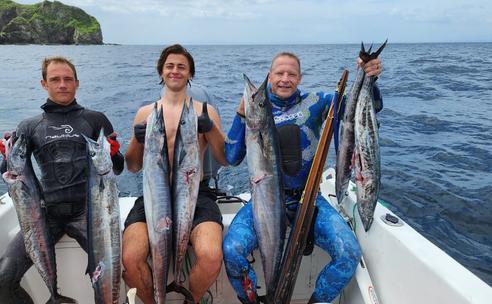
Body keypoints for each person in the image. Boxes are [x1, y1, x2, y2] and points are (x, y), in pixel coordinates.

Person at [223, 52, 383, 303]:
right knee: (232, 251)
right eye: (279, 73)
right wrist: (240, 115)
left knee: (349, 253)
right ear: (269, 76)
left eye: (292, 74)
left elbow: (363, 109)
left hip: (309, 201)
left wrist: (369, 78)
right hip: (264, 202)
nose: (285, 79)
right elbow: (231, 157)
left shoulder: (318, 101)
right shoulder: (256, 108)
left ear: (300, 78)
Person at [0, 56, 124, 303]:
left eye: (68, 79)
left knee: (108, 283)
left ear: (77, 83)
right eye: (55, 79)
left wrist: (113, 154)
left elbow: (118, 168)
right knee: (1, 283)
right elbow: (11, 175)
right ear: (44, 83)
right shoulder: (29, 126)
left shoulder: (96, 120)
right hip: (44, 214)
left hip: (90, 214)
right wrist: (5, 158)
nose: (62, 84)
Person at [121, 44, 228, 304]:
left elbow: (224, 158)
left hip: (196, 193)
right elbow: (133, 166)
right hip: (153, 195)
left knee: (212, 255)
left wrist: (210, 129)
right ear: (161, 72)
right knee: (130, 258)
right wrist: (137, 140)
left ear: (190, 73)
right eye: (170, 66)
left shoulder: (206, 111)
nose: (175, 71)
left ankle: (192, 298)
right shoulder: (146, 113)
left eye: (182, 66)